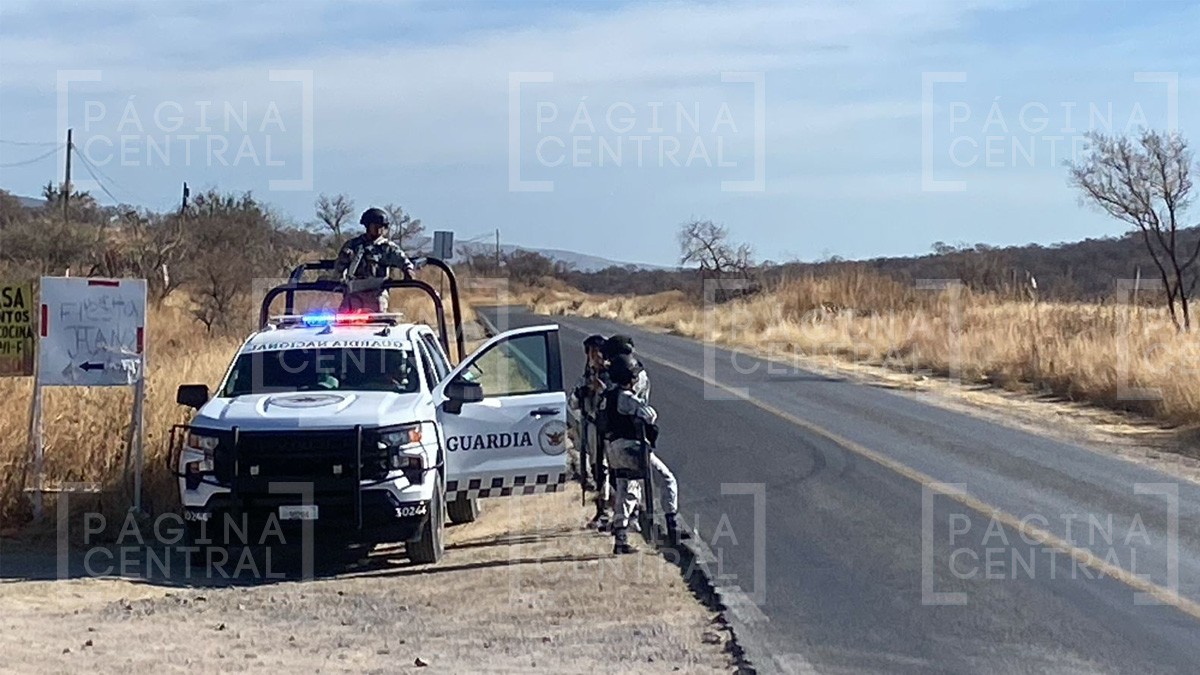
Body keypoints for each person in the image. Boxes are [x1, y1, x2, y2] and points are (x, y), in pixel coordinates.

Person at [602, 354, 685, 554]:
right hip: (630, 448)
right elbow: (649, 415)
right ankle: (671, 524)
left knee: (624, 489)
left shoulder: (609, 396)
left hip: (612, 449)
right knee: (666, 478)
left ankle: (620, 537)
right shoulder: (626, 398)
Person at [333, 207, 416, 312]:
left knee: (377, 324)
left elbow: (402, 259)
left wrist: (408, 270)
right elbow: (338, 269)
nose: (378, 229)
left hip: (377, 294)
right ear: (367, 226)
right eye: (375, 226)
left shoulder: (387, 247)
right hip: (354, 292)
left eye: (381, 226)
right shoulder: (353, 245)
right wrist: (344, 260)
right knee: (342, 322)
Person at [570, 334, 613, 530]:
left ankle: (618, 511)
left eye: (598, 352)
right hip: (593, 427)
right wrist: (583, 393)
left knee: (612, 470)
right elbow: (572, 402)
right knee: (597, 468)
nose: (595, 356)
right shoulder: (586, 377)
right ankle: (602, 509)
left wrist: (602, 391)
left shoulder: (612, 376)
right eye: (591, 352)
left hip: (609, 429)